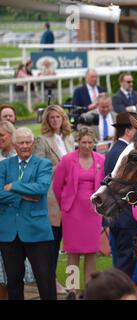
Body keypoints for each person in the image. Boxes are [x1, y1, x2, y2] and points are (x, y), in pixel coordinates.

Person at [0, 127, 56, 300]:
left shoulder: (43, 164)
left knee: (45, 279)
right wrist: (25, 195)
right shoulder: (3, 165)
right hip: (9, 232)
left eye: (28, 142)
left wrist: (14, 186)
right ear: (14, 145)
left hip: (37, 230)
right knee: (14, 281)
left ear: (33, 144)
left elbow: (41, 189)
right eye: (21, 142)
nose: (25, 146)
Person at [53, 127, 105, 294]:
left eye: (90, 142)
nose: (87, 145)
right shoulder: (67, 160)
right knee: (73, 252)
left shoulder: (101, 160)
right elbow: (57, 186)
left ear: (94, 143)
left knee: (91, 252)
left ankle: (90, 290)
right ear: (78, 142)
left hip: (93, 212)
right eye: (84, 142)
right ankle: (72, 289)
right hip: (72, 212)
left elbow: (104, 185)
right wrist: (65, 205)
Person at [34, 105, 75, 294]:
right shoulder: (42, 140)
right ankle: (52, 281)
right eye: (51, 118)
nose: (55, 120)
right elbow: (38, 169)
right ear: (47, 121)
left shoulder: (69, 138)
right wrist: (61, 170)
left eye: (58, 117)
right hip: (52, 198)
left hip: (72, 196)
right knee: (53, 242)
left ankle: (73, 283)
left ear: (63, 118)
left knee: (74, 245)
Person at [0, 123, 35, 300]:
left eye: (2, 135)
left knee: (12, 274)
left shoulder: (22, 160)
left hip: (19, 223)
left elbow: (36, 189)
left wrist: (14, 190)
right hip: (5, 222)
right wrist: (23, 194)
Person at [104, 113, 137, 282]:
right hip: (126, 215)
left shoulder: (114, 149)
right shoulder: (124, 151)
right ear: (128, 131)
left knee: (121, 264)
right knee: (125, 268)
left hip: (117, 216)